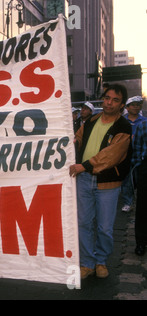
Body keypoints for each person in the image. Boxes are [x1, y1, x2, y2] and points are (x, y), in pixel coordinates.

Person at [69, 84, 132, 279]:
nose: (109, 103)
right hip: (83, 179)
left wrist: (84, 165)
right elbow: (77, 139)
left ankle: (101, 261)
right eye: (107, 98)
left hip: (108, 184)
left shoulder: (124, 126)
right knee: (84, 223)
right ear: (102, 99)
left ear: (122, 105)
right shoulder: (90, 121)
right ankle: (87, 263)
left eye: (115, 100)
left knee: (105, 227)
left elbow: (111, 156)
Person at [121, 96, 145, 213]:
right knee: (127, 181)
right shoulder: (122, 121)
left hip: (140, 155)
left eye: (138, 104)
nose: (136, 107)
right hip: (125, 155)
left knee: (140, 180)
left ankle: (140, 203)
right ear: (127, 107)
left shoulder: (144, 121)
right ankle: (128, 203)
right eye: (133, 104)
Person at [131, 118, 147, 255]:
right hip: (145, 170)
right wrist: (139, 169)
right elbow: (136, 150)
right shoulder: (143, 126)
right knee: (142, 208)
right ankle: (141, 242)